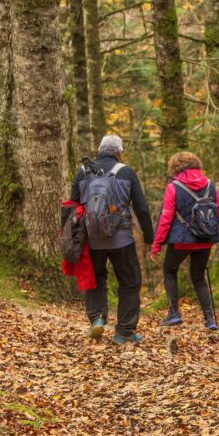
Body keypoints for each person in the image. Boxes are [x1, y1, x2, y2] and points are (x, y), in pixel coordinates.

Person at [70, 135, 154, 344]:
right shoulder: (126, 172)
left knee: (96, 277)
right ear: (119, 152)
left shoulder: (82, 172)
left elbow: (73, 207)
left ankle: (97, 318)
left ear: (99, 150)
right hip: (121, 239)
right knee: (130, 281)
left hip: (91, 238)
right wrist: (149, 237)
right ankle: (124, 331)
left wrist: (73, 239)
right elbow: (142, 208)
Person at [151, 151, 219, 330]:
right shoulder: (210, 185)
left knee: (169, 270)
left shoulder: (173, 187)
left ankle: (174, 314)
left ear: (175, 167)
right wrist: (205, 227)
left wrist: (157, 245)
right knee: (198, 277)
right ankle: (210, 320)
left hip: (181, 241)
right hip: (205, 240)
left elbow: (166, 218)